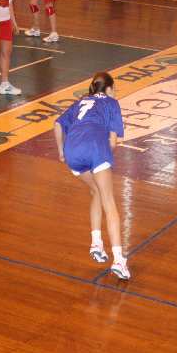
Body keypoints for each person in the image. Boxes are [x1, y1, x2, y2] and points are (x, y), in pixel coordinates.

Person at [53, 72, 130, 280]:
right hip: (95, 147)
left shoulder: (81, 101)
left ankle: (96, 243)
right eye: (115, 89)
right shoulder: (112, 103)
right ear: (109, 89)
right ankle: (118, 260)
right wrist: (103, 157)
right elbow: (112, 142)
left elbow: (58, 124)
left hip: (72, 151)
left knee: (96, 190)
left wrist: (61, 151)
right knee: (109, 201)